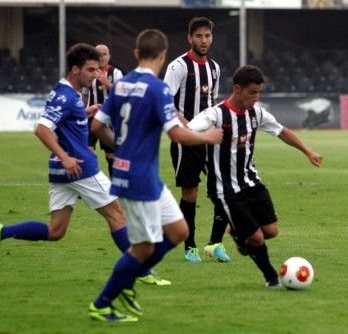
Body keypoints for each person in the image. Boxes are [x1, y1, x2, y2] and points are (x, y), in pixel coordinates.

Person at [0, 43, 168, 286]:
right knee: (117, 214)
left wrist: (85, 113)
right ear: (75, 70)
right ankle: (141, 272)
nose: (95, 75)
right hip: (78, 166)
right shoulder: (67, 96)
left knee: (55, 231)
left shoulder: (69, 94)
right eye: (90, 70)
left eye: (96, 69)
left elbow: (64, 121)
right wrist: (66, 157)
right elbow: (42, 129)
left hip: (60, 169)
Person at [89, 29, 223, 322]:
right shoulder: (157, 88)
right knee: (143, 249)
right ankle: (104, 301)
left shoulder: (122, 85)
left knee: (178, 231)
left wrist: (121, 147)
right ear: (162, 55)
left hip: (142, 175)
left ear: (136, 54)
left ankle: (125, 281)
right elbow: (176, 134)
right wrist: (208, 137)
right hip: (138, 179)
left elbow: (98, 127)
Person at [187, 65, 322, 288]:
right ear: (237, 88)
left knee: (271, 231)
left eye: (259, 93)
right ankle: (271, 279)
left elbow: (281, 131)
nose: (256, 98)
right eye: (252, 93)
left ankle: (237, 232)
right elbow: (188, 131)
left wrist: (308, 151)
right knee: (257, 238)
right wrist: (205, 136)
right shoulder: (215, 114)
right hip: (225, 190)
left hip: (251, 182)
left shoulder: (256, 113)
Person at [163, 16, 230, 263]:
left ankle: (215, 243)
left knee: (223, 188)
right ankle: (189, 247)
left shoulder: (214, 68)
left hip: (208, 138)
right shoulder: (178, 66)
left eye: (207, 36)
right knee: (190, 192)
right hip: (185, 140)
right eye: (199, 36)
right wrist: (190, 129)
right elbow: (165, 102)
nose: (204, 40)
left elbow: (211, 104)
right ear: (190, 38)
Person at [86, 44, 124, 176]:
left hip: (109, 120)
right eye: (98, 54)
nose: (101, 57)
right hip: (91, 118)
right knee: (86, 151)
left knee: (111, 155)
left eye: (104, 54)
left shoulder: (116, 73)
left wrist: (106, 83)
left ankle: (115, 189)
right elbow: (85, 94)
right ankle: (84, 185)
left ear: (109, 56)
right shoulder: (88, 72)